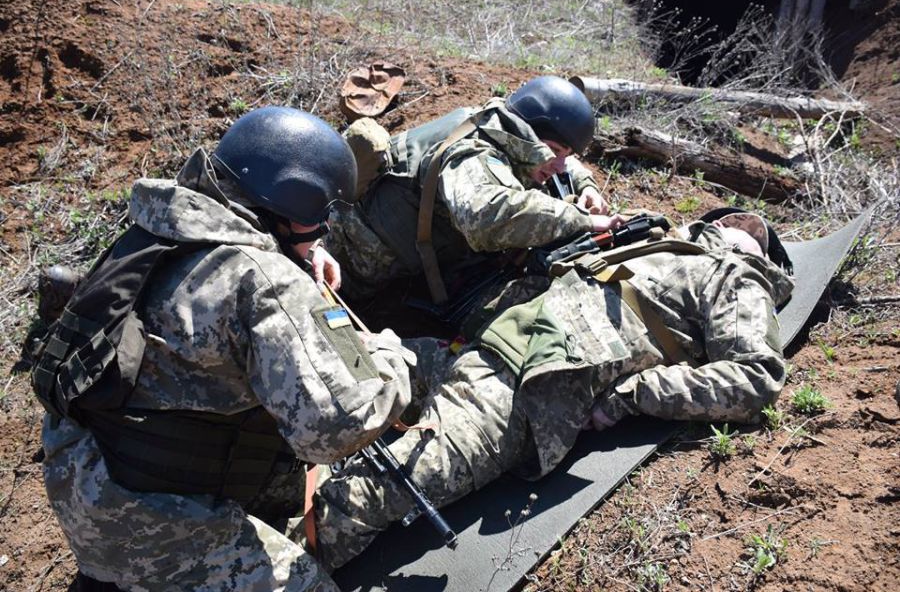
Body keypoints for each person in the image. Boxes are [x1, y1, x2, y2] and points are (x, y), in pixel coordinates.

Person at [32, 107, 414, 591]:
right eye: (320, 220)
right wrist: (388, 358)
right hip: (143, 523)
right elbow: (336, 429)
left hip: (81, 472)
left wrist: (299, 254)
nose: (324, 231)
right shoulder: (262, 279)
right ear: (292, 206)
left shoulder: (158, 232)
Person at [313, 211, 795, 570]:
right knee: (331, 361)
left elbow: (756, 377)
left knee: (360, 499)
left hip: (520, 395)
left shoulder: (735, 277)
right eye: (727, 220)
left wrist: (632, 394)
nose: (729, 225)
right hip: (477, 349)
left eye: (748, 231)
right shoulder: (651, 243)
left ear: (759, 256)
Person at [325, 75, 623, 303]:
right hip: (347, 265)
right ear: (528, 133)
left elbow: (563, 161)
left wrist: (586, 185)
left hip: (401, 260)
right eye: (554, 151)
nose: (559, 165)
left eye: (565, 155)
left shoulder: (499, 122)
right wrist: (583, 220)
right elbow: (486, 218)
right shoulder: (470, 154)